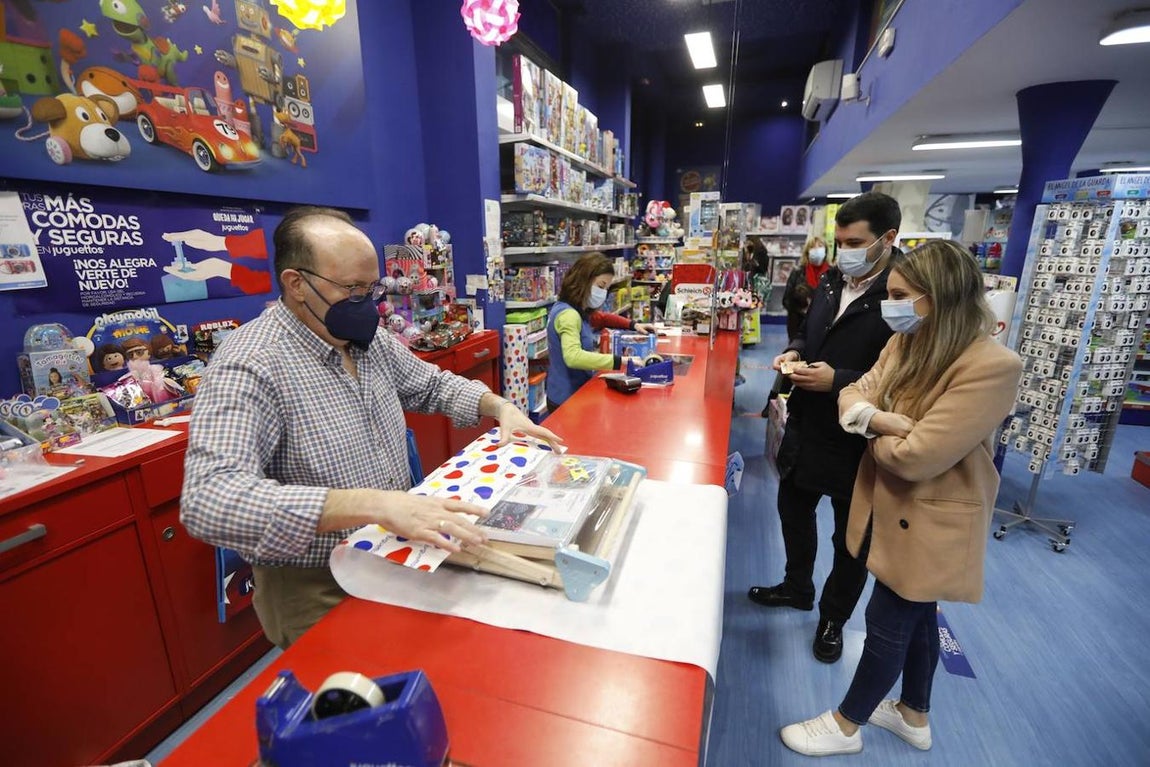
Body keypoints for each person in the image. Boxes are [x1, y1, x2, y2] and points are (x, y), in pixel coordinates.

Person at [181, 206, 565, 649]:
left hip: (393, 554)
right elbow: (209, 499)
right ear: (296, 284)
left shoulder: (365, 339)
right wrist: (371, 505)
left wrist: (498, 406)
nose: (369, 302)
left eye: (372, 287)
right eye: (352, 288)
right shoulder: (250, 364)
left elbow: (431, 385)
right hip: (316, 583)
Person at [779, 239, 1023, 756]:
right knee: (917, 610)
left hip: (931, 515)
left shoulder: (991, 367)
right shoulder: (906, 342)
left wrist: (868, 426)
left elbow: (917, 457)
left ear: (937, 296)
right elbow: (856, 392)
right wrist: (883, 420)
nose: (890, 305)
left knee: (889, 617)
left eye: (899, 294)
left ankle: (846, 726)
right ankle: (914, 713)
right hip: (886, 503)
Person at [747, 191, 902, 664]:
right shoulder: (835, 279)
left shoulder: (904, 293)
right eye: (839, 242)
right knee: (793, 509)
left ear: (888, 239)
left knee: (850, 538)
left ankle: (833, 619)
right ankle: (797, 587)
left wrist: (839, 380)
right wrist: (795, 349)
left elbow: (906, 377)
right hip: (807, 424)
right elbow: (811, 329)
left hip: (859, 436)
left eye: (855, 242)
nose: (843, 252)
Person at [545, 251, 654, 411]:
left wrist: (633, 325)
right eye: (600, 286)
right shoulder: (569, 315)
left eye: (606, 288)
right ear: (583, 280)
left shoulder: (574, 308)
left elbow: (602, 318)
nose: (603, 293)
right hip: (567, 400)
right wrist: (620, 361)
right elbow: (573, 357)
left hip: (573, 393)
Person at [782, 237, 829, 341]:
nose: (817, 250)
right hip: (798, 326)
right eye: (812, 247)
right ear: (807, 251)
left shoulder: (832, 274)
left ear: (826, 251)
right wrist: (801, 307)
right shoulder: (798, 272)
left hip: (823, 327)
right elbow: (786, 300)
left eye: (820, 246)